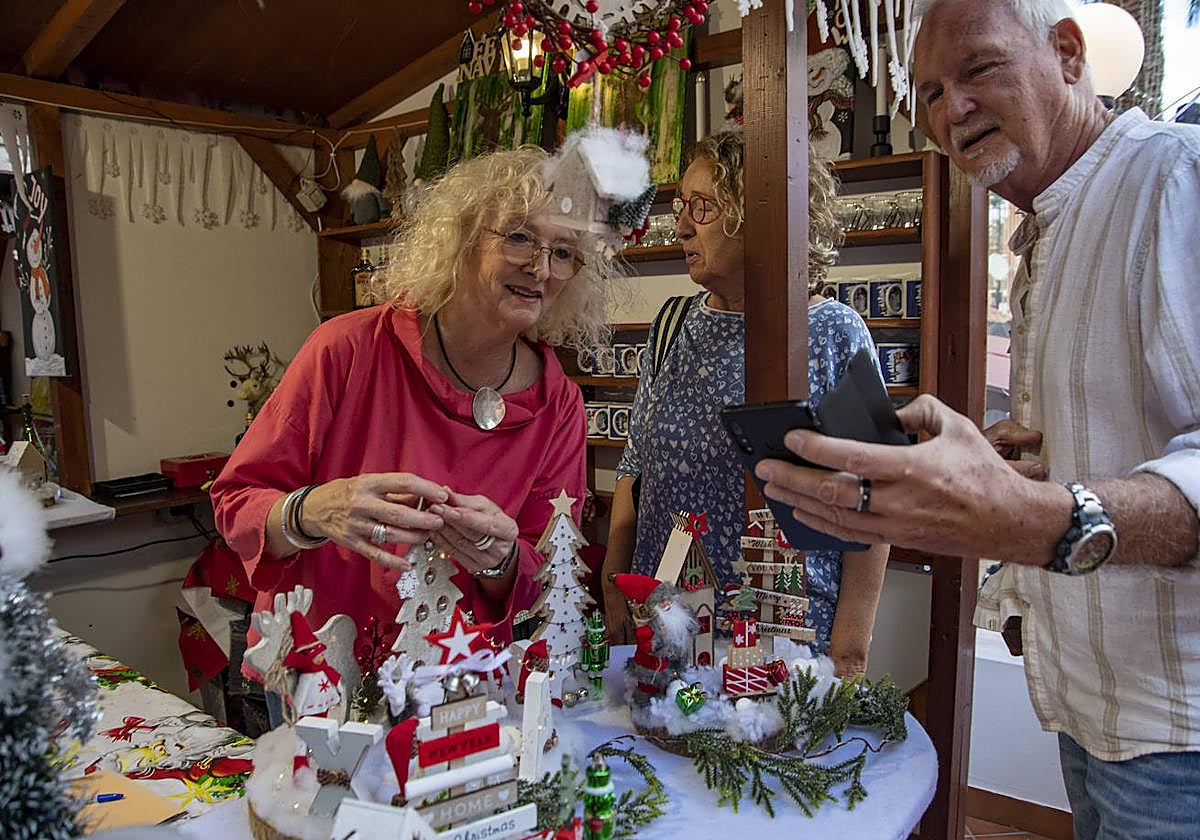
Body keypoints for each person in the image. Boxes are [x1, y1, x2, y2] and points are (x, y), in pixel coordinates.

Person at [755, 0, 1200, 835]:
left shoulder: (1172, 178)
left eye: (979, 69)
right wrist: (1021, 468)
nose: (948, 111)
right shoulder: (1053, 226)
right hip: (1096, 723)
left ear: (1068, 54)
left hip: (1180, 739)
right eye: (926, 92)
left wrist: (1029, 514)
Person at [211, 146, 626, 720]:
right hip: (325, 686)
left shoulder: (558, 403)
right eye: (520, 237)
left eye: (563, 252)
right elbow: (236, 506)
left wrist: (500, 559)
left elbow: (537, 574)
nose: (542, 268)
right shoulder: (347, 350)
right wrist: (313, 510)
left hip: (460, 690)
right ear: (459, 239)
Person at [601, 131, 890, 678]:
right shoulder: (671, 324)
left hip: (780, 644)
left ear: (761, 214)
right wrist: (614, 575)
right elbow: (636, 461)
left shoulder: (834, 332)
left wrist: (849, 654)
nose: (681, 225)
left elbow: (873, 502)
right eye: (681, 206)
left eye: (703, 207)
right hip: (662, 630)